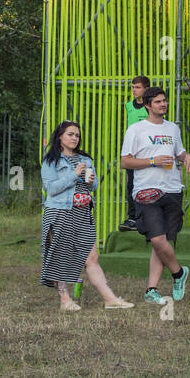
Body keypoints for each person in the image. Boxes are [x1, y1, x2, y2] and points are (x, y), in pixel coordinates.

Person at [41, 120, 133, 311]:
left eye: (77, 135)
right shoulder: (51, 161)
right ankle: (65, 300)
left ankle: (110, 299)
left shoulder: (86, 159)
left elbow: (94, 185)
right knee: (61, 256)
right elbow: (51, 189)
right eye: (70, 134)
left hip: (83, 213)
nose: (75, 138)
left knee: (91, 257)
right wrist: (74, 175)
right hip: (60, 212)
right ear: (60, 136)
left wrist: (90, 181)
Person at [119, 86, 190, 304]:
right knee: (157, 239)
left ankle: (151, 290)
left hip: (172, 190)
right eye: (158, 102)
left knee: (163, 241)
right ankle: (179, 273)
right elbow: (125, 161)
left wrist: (186, 156)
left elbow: (178, 151)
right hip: (146, 191)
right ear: (147, 105)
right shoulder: (136, 129)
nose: (163, 104)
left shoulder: (173, 128)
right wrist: (152, 161)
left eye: (165, 101)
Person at [119, 75, 150, 232]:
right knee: (131, 185)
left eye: (137, 87)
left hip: (146, 152)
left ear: (146, 89)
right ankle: (132, 217)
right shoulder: (128, 106)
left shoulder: (150, 107)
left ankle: (146, 217)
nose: (134, 90)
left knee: (146, 185)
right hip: (132, 152)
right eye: (132, 87)